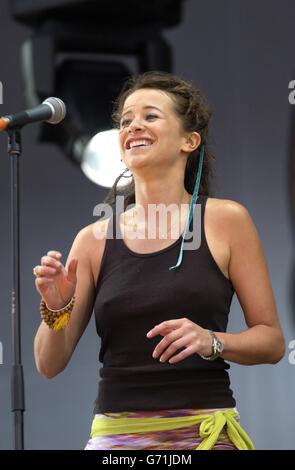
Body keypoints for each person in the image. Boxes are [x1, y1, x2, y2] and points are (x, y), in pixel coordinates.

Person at [33, 71, 285, 451]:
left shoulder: (226, 220)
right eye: (126, 120)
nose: (134, 125)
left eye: (150, 116)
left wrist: (211, 340)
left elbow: (271, 341)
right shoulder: (93, 239)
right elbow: (48, 365)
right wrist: (56, 309)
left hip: (204, 433)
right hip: (118, 439)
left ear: (189, 140)